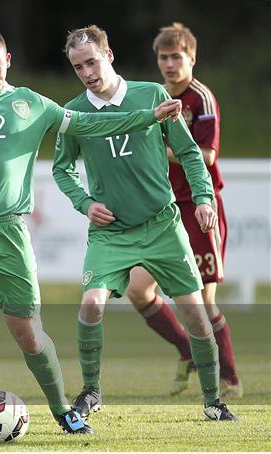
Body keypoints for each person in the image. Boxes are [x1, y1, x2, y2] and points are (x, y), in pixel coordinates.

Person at [0, 27, 182, 436]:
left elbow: (88, 124)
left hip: (11, 234)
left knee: (29, 332)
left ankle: (61, 409)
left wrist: (147, 116)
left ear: (9, 60)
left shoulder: (31, 103)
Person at [53, 25, 237, 421]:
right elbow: (62, 170)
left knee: (195, 313)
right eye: (77, 66)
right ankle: (91, 391)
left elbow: (190, 152)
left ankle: (213, 401)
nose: (86, 72)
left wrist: (203, 199)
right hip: (111, 232)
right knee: (90, 304)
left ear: (110, 55)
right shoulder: (74, 112)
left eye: (92, 61)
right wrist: (84, 203)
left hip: (162, 225)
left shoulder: (152, 94)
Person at [125, 22, 242, 399]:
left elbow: (206, 156)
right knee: (138, 290)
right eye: (163, 57)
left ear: (192, 58)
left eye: (177, 56)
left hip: (199, 207)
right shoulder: (152, 97)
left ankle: (230, 379)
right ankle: (187, 350)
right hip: (162, 208)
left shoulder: (200, 99)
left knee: (202, 301)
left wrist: (159, 150)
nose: (170, 64)